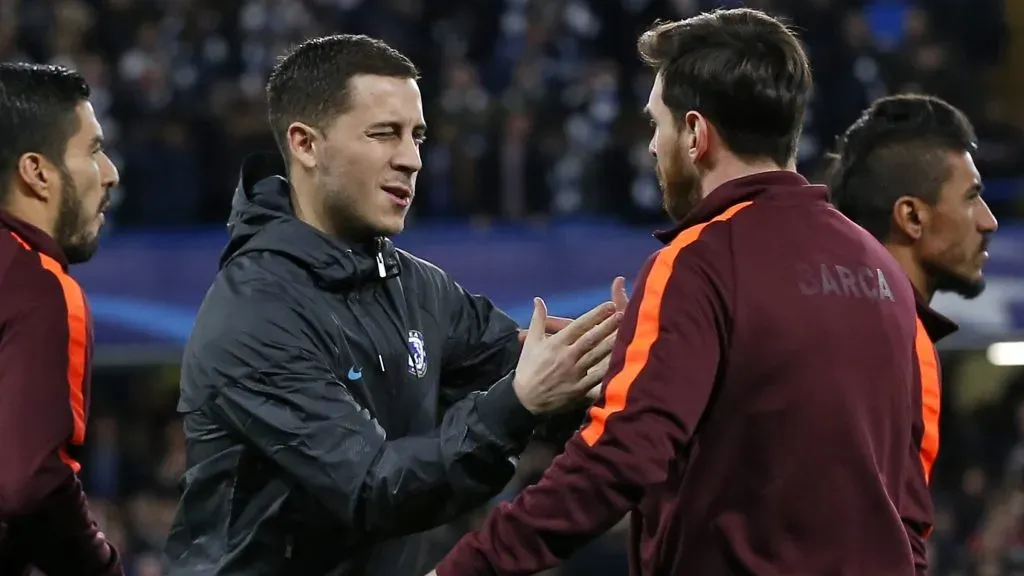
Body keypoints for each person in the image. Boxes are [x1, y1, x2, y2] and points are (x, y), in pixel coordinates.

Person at [429, 8, 925, 576]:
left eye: (655, 125)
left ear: (695, 134)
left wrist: (463, 570)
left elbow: (616, 459)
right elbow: (908, 495)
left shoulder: (698, 262)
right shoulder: (881, 267)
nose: (650, 148)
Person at [163, 35, 625, 576]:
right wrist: (521, 401)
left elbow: (524, 367)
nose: (411, 160)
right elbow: (371, 489)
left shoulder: (418, 288)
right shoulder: (255, 314)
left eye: (417, 136)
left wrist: (600, 369)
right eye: (384, 134)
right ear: (306, 145)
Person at [829, 93, 999, 575]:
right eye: (971, 197)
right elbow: (894, 543)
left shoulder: (841, 325)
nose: (989, 220)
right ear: (912, 217)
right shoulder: (897, 340)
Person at [0, 63, 122, 575]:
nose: (110, 172)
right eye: (93, 150)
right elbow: (30, 483)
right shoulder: (39, 285)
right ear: (38, 172)